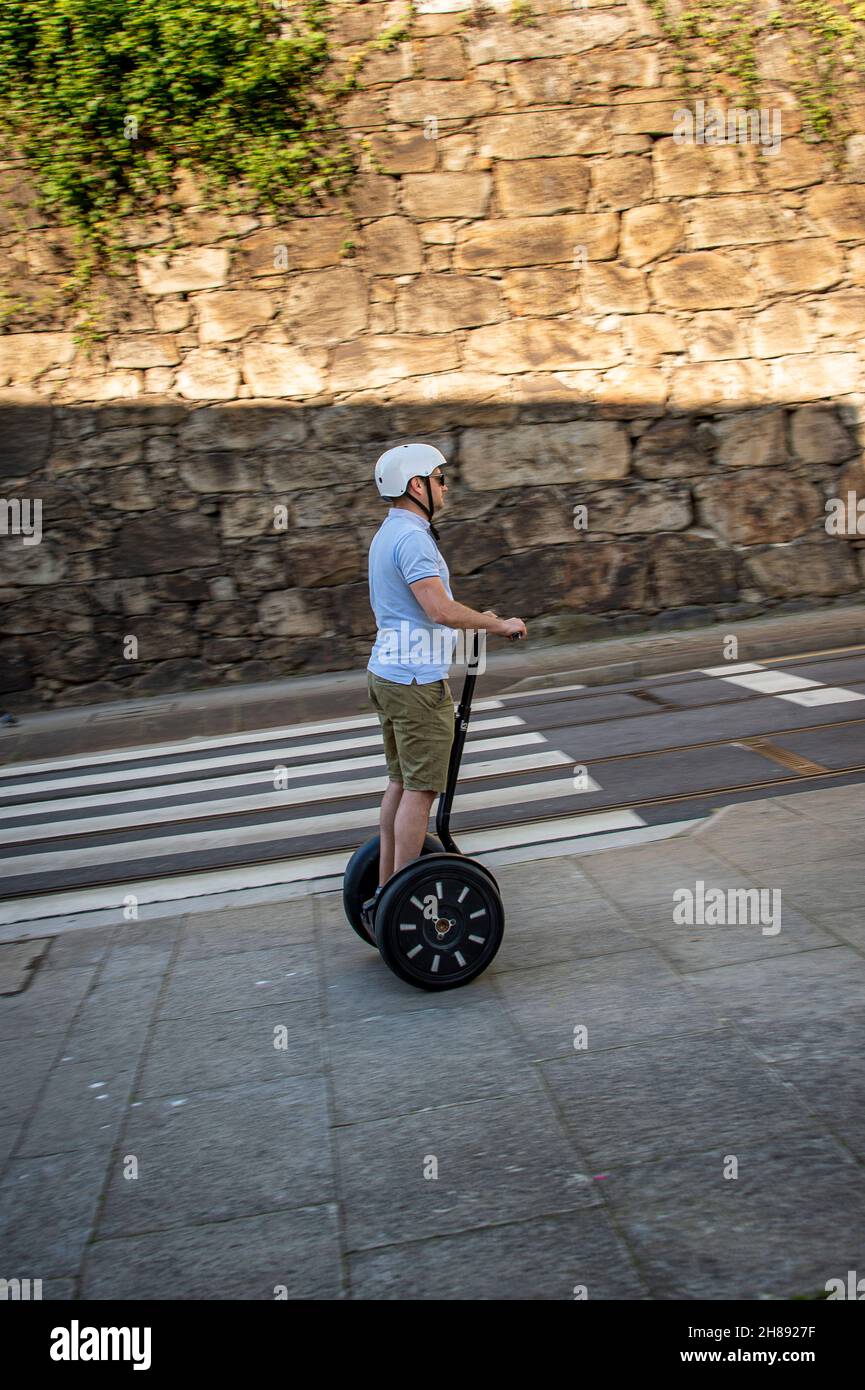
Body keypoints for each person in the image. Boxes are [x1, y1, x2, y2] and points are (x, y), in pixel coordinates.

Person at [361, 442, 527, 936]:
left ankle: (383, 892)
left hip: (388, 673)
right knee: (421, 790)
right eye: (438, 476)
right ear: (417, 486)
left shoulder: (389, 532)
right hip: (415, 681)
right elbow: (439, 609)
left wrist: (480, 621)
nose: (445, 484)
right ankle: (399, 902)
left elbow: (429, 608)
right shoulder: (412, 538)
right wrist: (499, 626)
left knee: (400, 782)